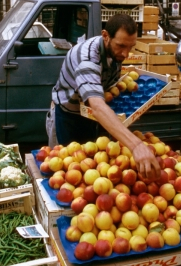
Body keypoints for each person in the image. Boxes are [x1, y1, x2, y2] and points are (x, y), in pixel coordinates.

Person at [51, 14, 161, 180]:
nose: (125, 54)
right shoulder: (86, 59)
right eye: (121, 46)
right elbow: (97, 106)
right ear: (105, 36)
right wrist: (136, 145)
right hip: (69, 118)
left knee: (92, 171)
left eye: (130, 47)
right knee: (70, 172)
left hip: (90, 117)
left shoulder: (114, 50)